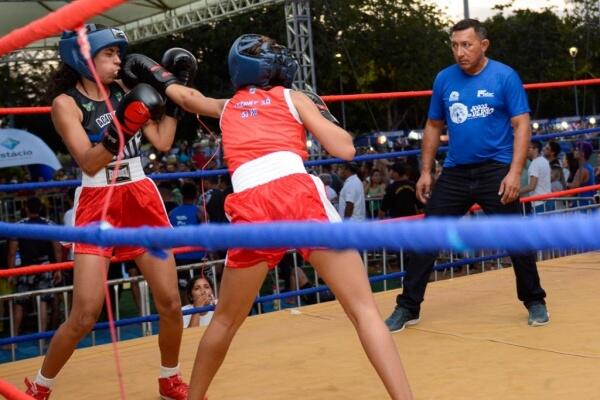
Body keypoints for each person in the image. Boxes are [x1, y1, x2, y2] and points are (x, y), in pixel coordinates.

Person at [127, 34, 413, 399]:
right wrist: (317, 109)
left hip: (251, 206)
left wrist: (154, 71)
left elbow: (185, 97)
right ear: (263, 67)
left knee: (226, 320)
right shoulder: (292, 97)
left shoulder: (227, 106)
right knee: (363, 310)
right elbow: (345, 149)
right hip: (298, 195)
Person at [23, 25, 194, 400]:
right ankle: (40, 384)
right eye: (109, 55)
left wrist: (174, 99)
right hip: (98, 198)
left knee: (169, 301)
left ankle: (170, 378)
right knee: (85, 313)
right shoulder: (65, 105)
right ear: (84, 60)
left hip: (140, 195)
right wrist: (125, 124)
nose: (119, 61)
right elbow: (86, 161)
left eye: (119, 54)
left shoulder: (122, 91)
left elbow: (162, 141)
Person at [385, 19, 549, 333]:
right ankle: (407, 307)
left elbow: (522, 125)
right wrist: (425, 171)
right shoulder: (444, 79)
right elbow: (433, 126)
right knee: (427, 236)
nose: (460, 52)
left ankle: (534, 300)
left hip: (495, 170)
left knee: (516, 236)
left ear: (483, 45)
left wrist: (515, 172)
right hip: (456, 172)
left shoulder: (504, 76)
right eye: (455, 45)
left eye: (467, 44)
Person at [7, 197, 62, 337]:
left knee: (19, 302)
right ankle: (42, 339)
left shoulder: (18, 226)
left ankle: (13, 340)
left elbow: (12, 253)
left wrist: (11, 273)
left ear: (26, 208)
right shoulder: (49, 224)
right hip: (44, 267)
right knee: (42, 302)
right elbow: (57, 249)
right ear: (40, 208)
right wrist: (58, 269)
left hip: (26, 268)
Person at [520, 140, 551, 213]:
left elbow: (531, 186)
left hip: (539, 202)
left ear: (536, 149)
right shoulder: (544, 160)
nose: (526, 150)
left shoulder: (535, 164)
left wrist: (516, 192)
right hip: (548, 200)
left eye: (529, 148)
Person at [567, 141, 596, 206]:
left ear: (582, 153)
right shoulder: (589, 167)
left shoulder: (582, 170)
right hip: (588, 204)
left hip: (584, 206)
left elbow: (572, 190)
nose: (574, 151)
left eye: (577, 150)